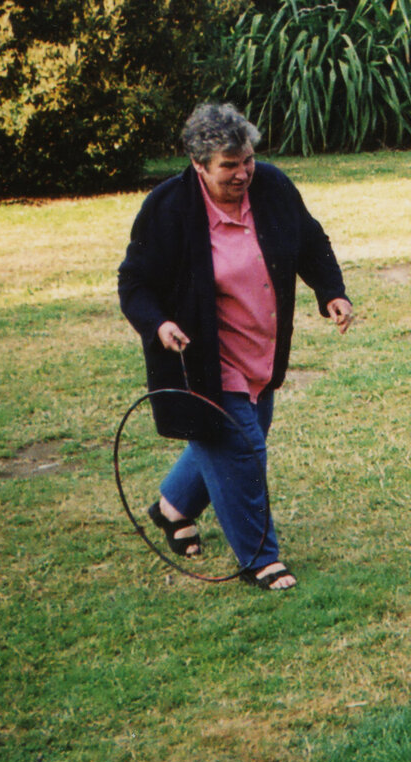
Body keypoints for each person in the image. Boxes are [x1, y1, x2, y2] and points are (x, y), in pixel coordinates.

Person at [117, 102, 354, 591]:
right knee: (242, 447)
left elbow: (310, 241)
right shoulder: (168, 208)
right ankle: (259, 558)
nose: (243, 173)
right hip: (201, 357)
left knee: (228, 437)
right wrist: (158, 324)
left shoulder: (272, 187)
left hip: (259, 350)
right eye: (229, 165)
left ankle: (172, 508)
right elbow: (134, 281)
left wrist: (331, 291)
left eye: (247, 159)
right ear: (199, 164)